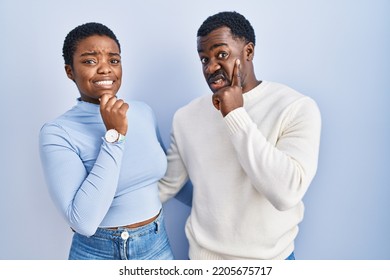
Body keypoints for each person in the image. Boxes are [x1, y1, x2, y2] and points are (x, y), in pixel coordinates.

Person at [159, 11, 321, 260]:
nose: (211, 67)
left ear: (248, 52)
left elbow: (286, 193)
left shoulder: (295, 107)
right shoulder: (186, 116)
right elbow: (169, 184)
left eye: (221, 54)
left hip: (272, 263)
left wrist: (234, 113)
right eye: (204, 59)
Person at [39, 22, 173, 260]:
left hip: (156, 244)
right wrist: (114, 136)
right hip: (98, 253)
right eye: (90, 61)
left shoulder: (142, 112)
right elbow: (84, 222)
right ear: (70, 71)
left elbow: (160, 177)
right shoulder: (57, 132)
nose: (105, 69)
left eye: (114, 60)